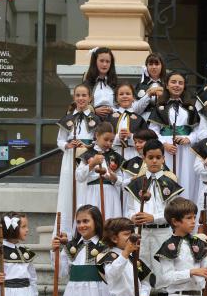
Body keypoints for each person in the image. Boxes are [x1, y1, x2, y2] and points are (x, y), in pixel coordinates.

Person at [125, 139, 183, 296]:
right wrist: (134, 216)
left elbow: (172, 211)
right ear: (144, 158)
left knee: (163, 274)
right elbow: (131, 207)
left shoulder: (170, 183)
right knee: (141, 271)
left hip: (162, 231)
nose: (155, 161)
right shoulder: (136, 182)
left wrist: (154, 217)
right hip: (142, 232)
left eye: (158, 157)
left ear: (163, 158)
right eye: (151, 158)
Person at [55, 82, 99, 237]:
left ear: (90, 98)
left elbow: (98, 141)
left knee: (83, 190)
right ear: (74, 97)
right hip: (69, 158)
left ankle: (83, 229)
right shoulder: (67, 119)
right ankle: (66, 231)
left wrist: (87, 145)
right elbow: (59, 141)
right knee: (69, 191)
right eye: (78, 95)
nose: (81, 98)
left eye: (84, 95)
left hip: (86, 159)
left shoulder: (95, 119)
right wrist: (67, 145)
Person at [150, 71, 200, 201]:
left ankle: (185, 205)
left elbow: (198, 131)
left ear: (184, 86)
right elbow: (153, 130)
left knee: (186, 177)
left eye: (180, 83)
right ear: (166, 85)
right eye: (173, 82)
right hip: (167, 148)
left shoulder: (190, 108)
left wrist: (188, 138)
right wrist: (163, 144)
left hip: (185, 149)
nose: (177, 85)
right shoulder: (160, 107)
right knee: (168, 176)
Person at [75, 122, 124, 221]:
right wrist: (92, 164)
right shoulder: (88, 154)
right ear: (97, 135)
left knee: (110, 223)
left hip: (110, 195)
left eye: (111, 141)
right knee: (94, 221)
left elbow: (122, 181)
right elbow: (79, 177)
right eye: (106, 139)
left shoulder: (115, 156)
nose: (108, 143)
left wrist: (113, 177)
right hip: (92, 193)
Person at [106, 83, 148, 161]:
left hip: (133, 155)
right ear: (116, 98)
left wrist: (131, 136)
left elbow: (146, 140)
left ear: (133, 98)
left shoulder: (139, 119)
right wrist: (117, 137)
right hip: (114, 154)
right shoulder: (110, 118)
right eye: (121, 94)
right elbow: (104, 138)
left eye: (128, 94)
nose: (124, 96)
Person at [84, 47, 118, 119]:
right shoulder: (87, 84)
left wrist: (112, 110)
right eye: (101, 61)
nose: (105, 64)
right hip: (92, 121)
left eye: (107, 61)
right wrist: (94, 110)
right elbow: (80, 103)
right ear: (95, 62)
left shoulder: (115, 84)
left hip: (113, 122)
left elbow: (122, 105)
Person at [132, 52, 166, 122]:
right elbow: (135, 111)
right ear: (146, 66)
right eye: (150, 64)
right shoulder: (140, 85)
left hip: (163, 122)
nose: (154, 67)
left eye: (157, 64)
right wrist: (148, 94)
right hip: (144, 122)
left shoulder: (167, 85)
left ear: (162, 66)